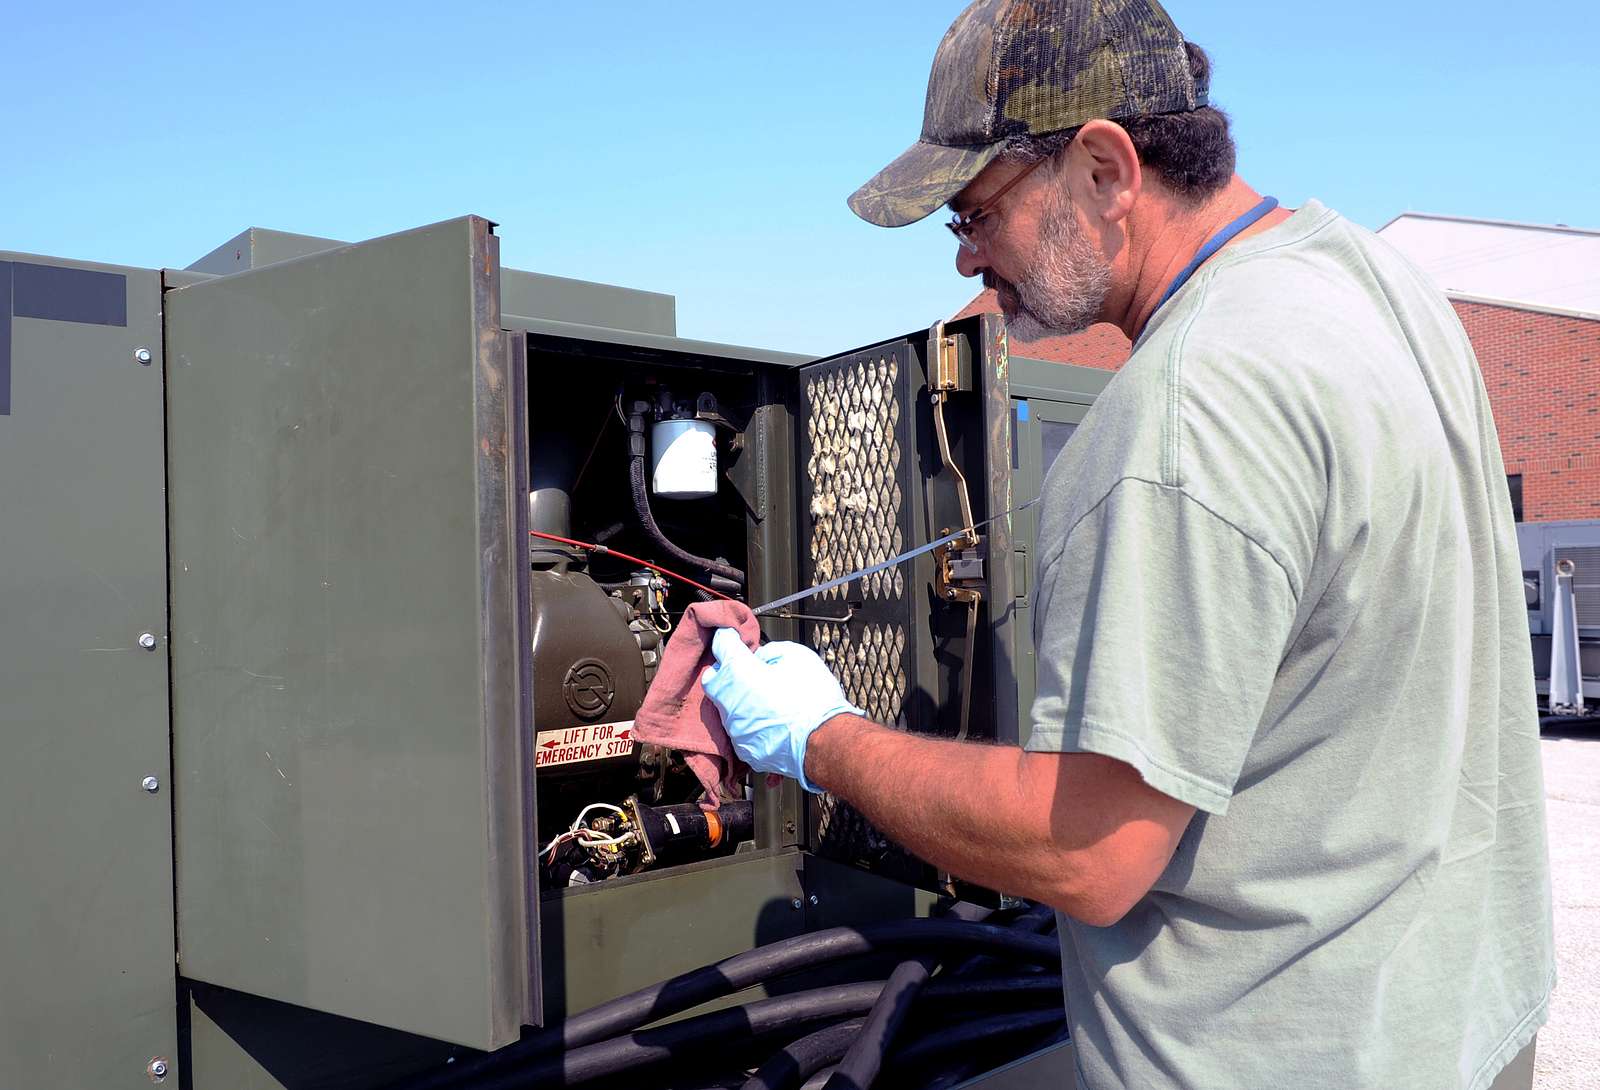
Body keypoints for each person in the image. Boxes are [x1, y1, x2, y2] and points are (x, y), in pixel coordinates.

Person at [700, 1, 1555, 1088]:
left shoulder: (1181, 409)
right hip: (1459, 1023)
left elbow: (1088, 850)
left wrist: (819, 737)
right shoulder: (1371, 283)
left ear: (1104, 169)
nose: (968, 261)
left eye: (973, 213)